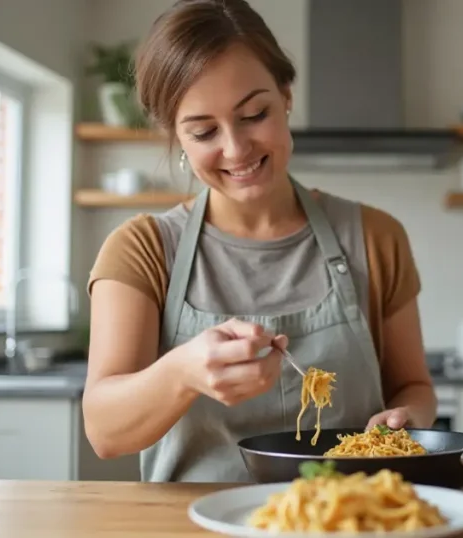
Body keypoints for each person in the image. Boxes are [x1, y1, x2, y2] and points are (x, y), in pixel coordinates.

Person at [82, 0, 437, 482]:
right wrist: (183, 372)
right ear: (176, 136)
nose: (236, 148)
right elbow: (105, 432)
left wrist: (407, 421)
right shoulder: (141, 250)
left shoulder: (376, 237)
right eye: (204, 131)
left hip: (347, 521)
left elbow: (413, 387)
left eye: (254, 114)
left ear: (286, 94)